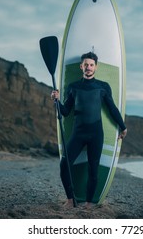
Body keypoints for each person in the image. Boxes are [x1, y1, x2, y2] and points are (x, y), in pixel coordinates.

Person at [51, 52, 127, 208]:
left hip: (96, 134)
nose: (88, 67)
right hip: (78, 133)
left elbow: (112, 108)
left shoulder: (103, 87)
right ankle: (70, 200)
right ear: (81, 66)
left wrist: (122, 126)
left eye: (91, 65)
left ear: (96, 67)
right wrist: (56, 101)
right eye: (86, 65)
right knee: (64, 165)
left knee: (93, 169)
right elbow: (65, 112)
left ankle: (87, 203)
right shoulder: (73, 87)